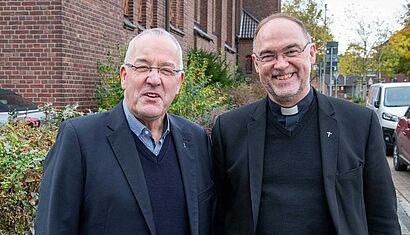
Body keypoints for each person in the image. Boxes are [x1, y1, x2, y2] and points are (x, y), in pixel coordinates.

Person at [212, 13, 400, 234]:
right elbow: (218, 218)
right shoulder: (229, 130)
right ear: (256, 63)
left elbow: (382, 217)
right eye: (268, 55)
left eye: (291, 51)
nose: (281, 65)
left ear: (311, 53)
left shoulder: (360, 124)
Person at [35, 28, 214, 235]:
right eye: (142, 67)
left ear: (179, 83)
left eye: (166, 70)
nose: (154, 79)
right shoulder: (79, 140)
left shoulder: (196, 139)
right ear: (124, 76)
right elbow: (54, 227)